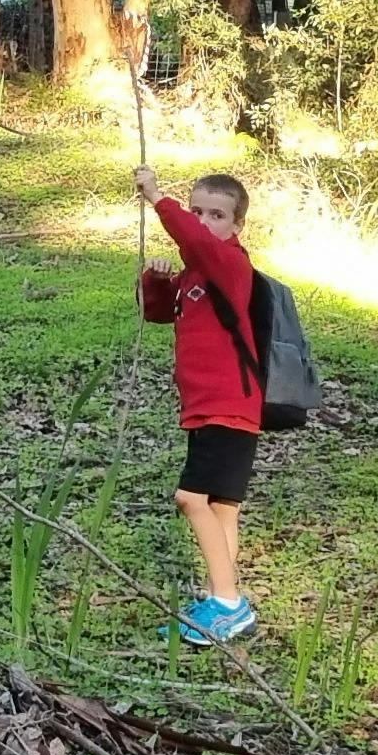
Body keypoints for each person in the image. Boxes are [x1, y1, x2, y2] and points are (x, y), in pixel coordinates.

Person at [136, 165, 261, 646]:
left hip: (228, 405)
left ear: (236, 225)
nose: (206, 222)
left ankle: (228, 604)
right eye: (198, 212)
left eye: (218, 215)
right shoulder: (195, 275)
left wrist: (158, 200)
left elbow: (200, 245)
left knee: (190, 499)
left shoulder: (231, 264)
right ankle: (219, 598)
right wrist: (158, 280)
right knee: (222, 508)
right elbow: (157, 314)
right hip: (208, 407)